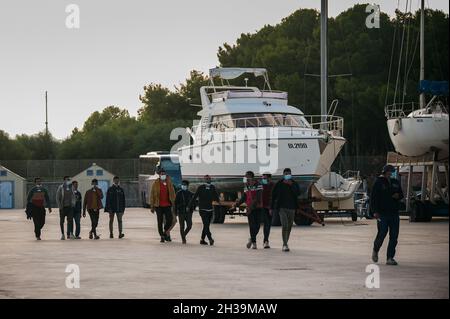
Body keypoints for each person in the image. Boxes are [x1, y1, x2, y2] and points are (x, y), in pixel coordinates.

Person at [370, 164, 404, 266]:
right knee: (382, 234)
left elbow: (401, 194)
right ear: (384, 171)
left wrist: (398, 196)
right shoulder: (378, 182)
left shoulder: (395, 182)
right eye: (389, 171)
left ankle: (390, 258)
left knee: (394, 236)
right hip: (382, 214)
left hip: (394, 213)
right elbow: (373, 198)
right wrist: (374, 211)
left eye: (392, 171)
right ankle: (375, 250)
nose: (391, 173)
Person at [271, 168, 301, 252]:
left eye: (289, 173)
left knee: (290, 226)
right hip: (281, 208)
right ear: (283, 174)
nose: (287, 175)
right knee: (285, 225)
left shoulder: (294, 183)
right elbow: (273, 196)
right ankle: (285, 244)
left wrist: (291, 185)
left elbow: (298, 193)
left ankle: (286, 242)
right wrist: (271, 208)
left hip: (292, 208)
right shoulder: (279, 184)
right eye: (286, 173)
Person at [234, 171, 263, 249]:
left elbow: (258, 197)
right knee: (252, 225)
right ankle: (254, 242)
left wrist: (251, 207)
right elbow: (244, 197)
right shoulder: (246, 186)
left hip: (257, 207)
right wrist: (237, 204)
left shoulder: (258, 184)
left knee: (257, 226)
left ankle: (251, 238)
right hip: (249, 208)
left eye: (246, 176)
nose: (245, 178)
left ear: (251, 177)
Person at [189, 175, 220, 246]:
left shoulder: (212, 187)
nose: (208, 180)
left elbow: (216, 196)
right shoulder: (201, 187)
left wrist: (219, 202)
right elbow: (194, 197)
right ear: (204, 180)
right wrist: (189, 206)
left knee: (206, 226)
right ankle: (210, 238)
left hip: (210, 209)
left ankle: (202, 240)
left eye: (209, 178)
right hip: (202, 209)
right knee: (206, 225)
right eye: (207, 179)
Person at [149, 168, 176, 243]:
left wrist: (174, 203)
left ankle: (165, 232)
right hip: (158, 205)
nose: (163, 175)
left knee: (170, 220)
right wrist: (152, 206)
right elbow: (152, 195)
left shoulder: (169, 182)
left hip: (167, 205)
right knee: (160, 221)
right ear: (159, 175)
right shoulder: (156, 183)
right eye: (161, 174)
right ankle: (162, 236)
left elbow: (173, 193)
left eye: (164, 174)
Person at [175, 180, 195, 244]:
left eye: (185, 185)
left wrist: (192, 209)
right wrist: (176, 211)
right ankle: (183, 239)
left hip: (188, 212)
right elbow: (175, 203)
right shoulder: (178, 193)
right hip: (181, 212)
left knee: (189, 226)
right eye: (182, 184)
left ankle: (183, 235)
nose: (183, 186)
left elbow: (194, 202)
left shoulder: (190, 193)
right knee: (182, 226)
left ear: (187, 186)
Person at [56, 176, 75, 240]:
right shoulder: (61, 187)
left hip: (69, 207)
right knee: (62, 221)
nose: (68, 180)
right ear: (64, 180)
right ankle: (62, 234)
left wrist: (73, 203)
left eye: (69, 179)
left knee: (70, 220)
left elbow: (73, 196)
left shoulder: (71, 187)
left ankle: (71, 234)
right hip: (63, 207)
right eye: (67, 179)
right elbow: (57, 197)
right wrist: (60, 206)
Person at [261, 173, 275, 248]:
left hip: (269, 207)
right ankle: (253, 238)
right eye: (263, 178)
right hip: (261, 207)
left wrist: (271, 207)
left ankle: (266, 241)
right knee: (257, 225)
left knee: (267, 224)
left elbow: (274, 197)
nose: (263, 180)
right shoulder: (260, 185)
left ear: (270, 178)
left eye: (265, 178)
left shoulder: (273, 186)